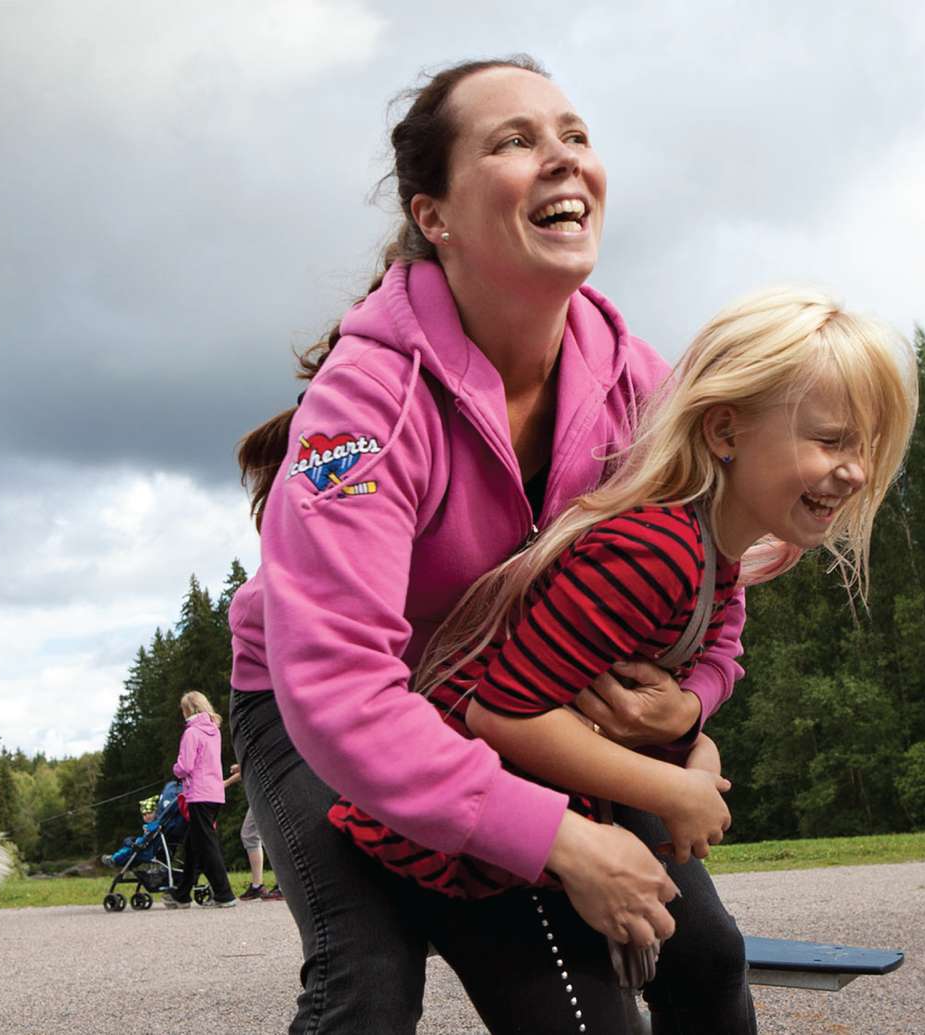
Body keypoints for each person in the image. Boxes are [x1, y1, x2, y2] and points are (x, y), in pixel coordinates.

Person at [229, 57, 750, 1032]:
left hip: (511, 698)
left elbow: (711, 584)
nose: (561, 158)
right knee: (368, 985)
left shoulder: (640, 386)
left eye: (575, 135)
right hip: (319, 710)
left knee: (706, 956)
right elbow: (340, 690)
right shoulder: (362, 410)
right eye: (514, 141)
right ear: (434, 216)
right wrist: (552, 836)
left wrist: (689, 704)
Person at [332, 285, 918, 912]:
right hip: (445, 837)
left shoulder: (714, 559)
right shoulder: (657, 553)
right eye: (831, 441)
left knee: (703, 957)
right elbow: (503, 713)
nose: (856, 471)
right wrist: (672, 791)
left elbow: (655, 682)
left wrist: (693, 742)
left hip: (513, 820)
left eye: (866, 448)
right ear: (726, 431)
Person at [165, 691, 237, 909]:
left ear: (188, 709)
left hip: (198, 793)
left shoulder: (191, 733)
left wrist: (175, 769)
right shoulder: (213, 730)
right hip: (215, 793)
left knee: (206, 845)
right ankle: (182, 894)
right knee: (193, 844)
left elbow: (185, 766)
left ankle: (224, 894)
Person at [226, 764, 284, 901]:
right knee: (251, 834)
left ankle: (283, 886)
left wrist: (229, 780)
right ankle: (258, 886)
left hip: (271, 787)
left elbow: (263, 760)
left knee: (271, 834)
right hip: (263, 790)